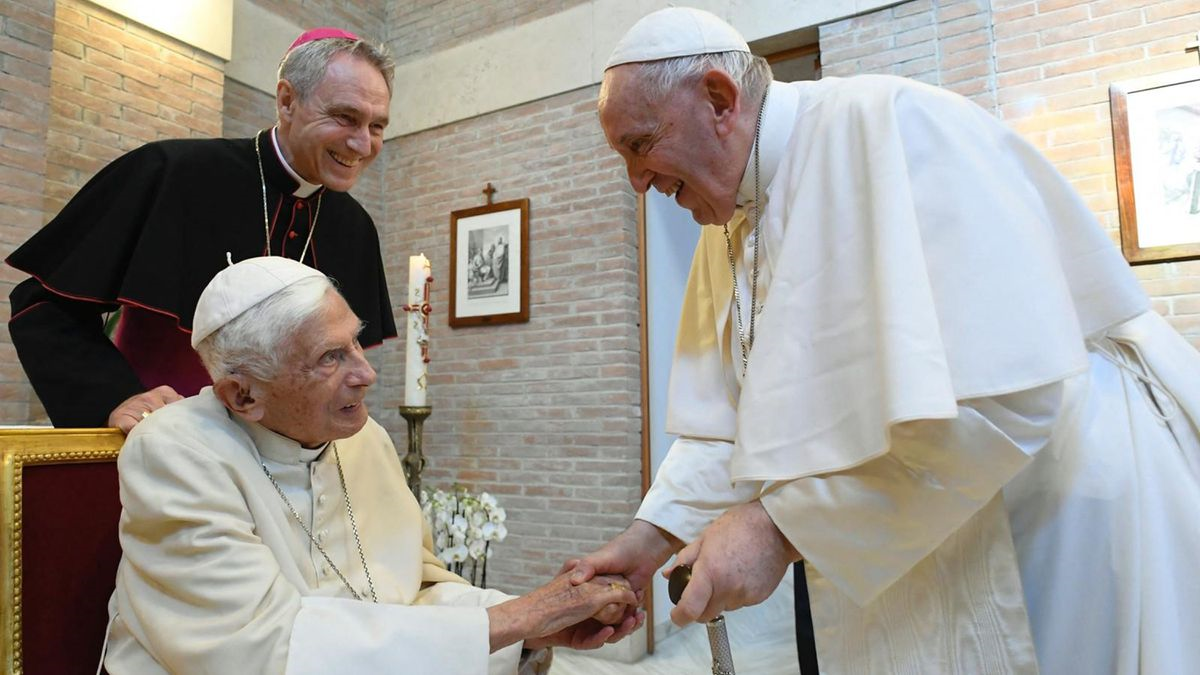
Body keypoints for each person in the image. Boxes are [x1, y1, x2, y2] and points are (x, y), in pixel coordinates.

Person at [569, 7, 1200, 674]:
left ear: (719, 99)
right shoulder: (726, 220)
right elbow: (721, 424)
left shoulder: (894, 125)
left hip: (1053, 515)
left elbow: (1009, 398)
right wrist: (650, 536)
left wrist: (782, 528)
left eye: (639, 146)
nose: (637, 182)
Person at [102, 256, 643, 674]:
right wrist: (510, 623)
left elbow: (418, 589)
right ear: (242, 396)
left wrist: (532, 626)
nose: (366, 374)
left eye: (355, 342)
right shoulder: (175, 452)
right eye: (330, 358)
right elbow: (267, 650)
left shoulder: (365, 439)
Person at [6, 28, 396, 433]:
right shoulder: (172, 173)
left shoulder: (356, 229)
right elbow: (43, 305)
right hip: (167, 447)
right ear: (287, 101)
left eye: (377, 126)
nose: (362, 144)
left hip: (290, 468)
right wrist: (115, 396)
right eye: (345, 117)